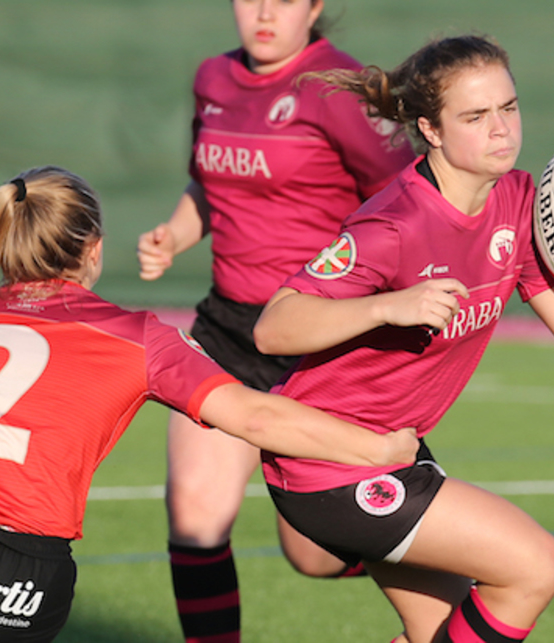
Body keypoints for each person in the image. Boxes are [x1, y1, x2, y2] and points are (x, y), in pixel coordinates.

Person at [0, 167, 421, 643]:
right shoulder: (137, 336)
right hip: (22, 576)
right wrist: (379, 448)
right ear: (93, 250)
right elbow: (256, 416)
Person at [252, 35, 554, 643]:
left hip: (396, 449)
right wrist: (388, 306)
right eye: (475, 117)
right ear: (430, 129)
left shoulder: (520, 203)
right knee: (534, 566)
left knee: (441, 634)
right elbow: (275, 327)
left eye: (508, 108)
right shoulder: (395, 223)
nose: (501, 129)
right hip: (330, 461)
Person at [137, 1, 415, 639]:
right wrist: (174, 236)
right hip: (226, 332)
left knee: (314, 553)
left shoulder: (343, 88)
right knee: (196, 521)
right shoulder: (212, 78)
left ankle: (455, 574)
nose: (264, 12)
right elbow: (206, 185)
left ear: (315, 7)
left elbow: (408, 200)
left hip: (319, 342)